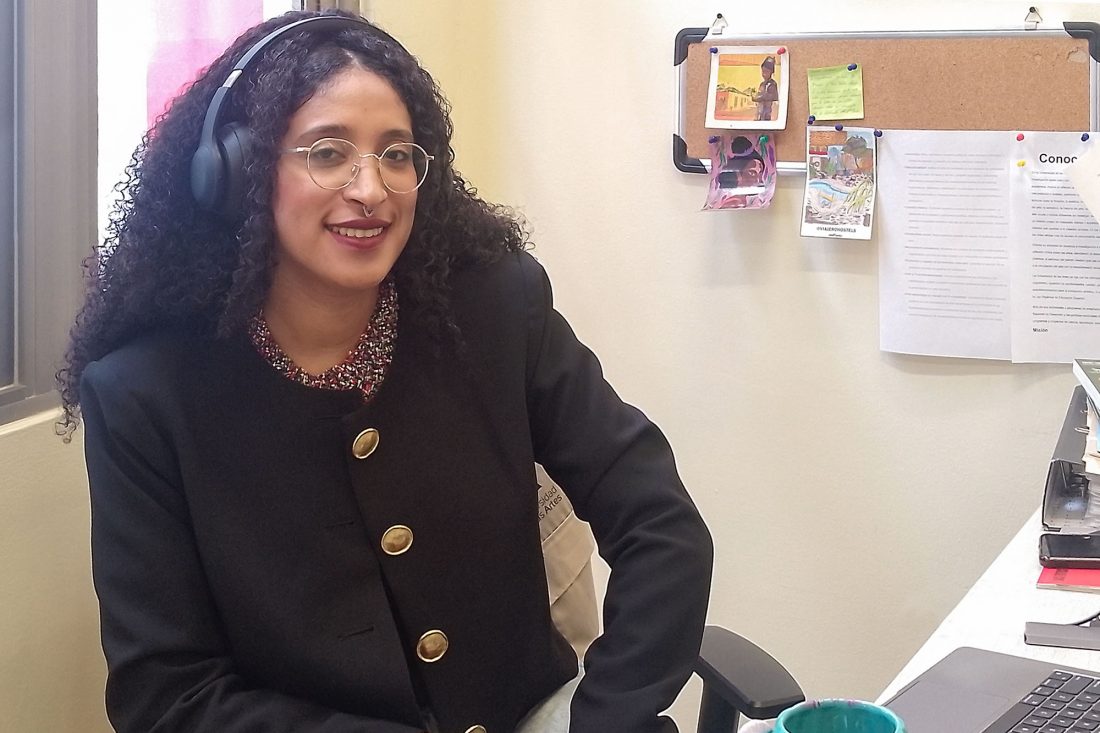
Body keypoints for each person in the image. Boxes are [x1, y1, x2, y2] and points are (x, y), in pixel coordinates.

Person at [59, 10, 713, 733]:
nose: (371, 188)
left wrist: (604, 715)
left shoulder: (496, 306)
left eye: (397, 155)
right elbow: (168, 696)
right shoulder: (143, 396)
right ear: (240, 173)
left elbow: (660, 526)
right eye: (328, 152)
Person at [753, 56, 778, 121]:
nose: (764, 74)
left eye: (766, 72)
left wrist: (759, 97)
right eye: (763, 71)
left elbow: (772, 97)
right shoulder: (762, 84)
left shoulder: (772, 84)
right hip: (760, 110)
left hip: (768, 111)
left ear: (771, 72)